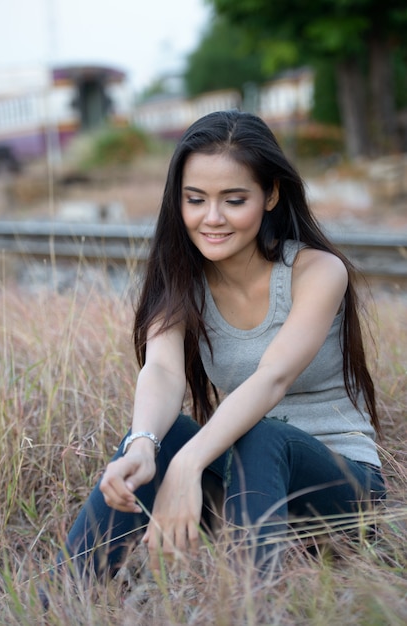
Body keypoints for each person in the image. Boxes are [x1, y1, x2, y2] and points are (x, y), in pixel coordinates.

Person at [56, 110, 386, 582]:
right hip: (249, 487)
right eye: (195, 200)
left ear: (270, 194)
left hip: (342, 492)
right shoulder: (182, 281)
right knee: (157, 439)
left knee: (263, 432)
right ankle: (60, 596)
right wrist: (143, 445)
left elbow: (273, 378)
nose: (212, 218)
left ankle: (253, 606)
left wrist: (191, 463)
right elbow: (164, 371)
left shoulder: (317, 272)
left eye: (234, 200)